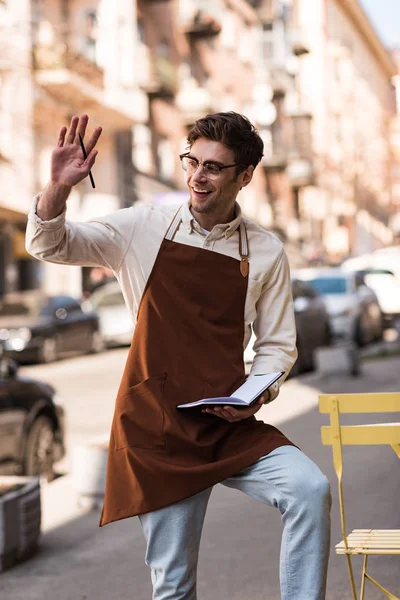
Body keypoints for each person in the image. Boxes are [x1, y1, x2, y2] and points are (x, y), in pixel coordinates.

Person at [26, 112, 331, 599]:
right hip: (159, 427)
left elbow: (276, 345)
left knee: (309, 491)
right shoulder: (142, 226)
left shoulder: (267, 251)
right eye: (192, 161)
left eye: (214, 166)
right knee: (174, 585)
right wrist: (58, 188)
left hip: (227, 424)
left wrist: (257, 393)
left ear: (245, 176)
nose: (197, 175)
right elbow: (50, 243)